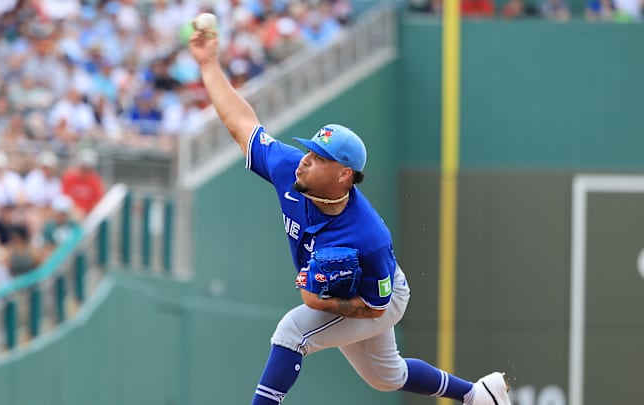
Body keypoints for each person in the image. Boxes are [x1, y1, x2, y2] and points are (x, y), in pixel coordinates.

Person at [188, 24, 512, 405]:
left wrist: (321, 302)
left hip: (381, 298)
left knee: (292, 331)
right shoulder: (289, 170)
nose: (305, 159)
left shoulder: (367, 236)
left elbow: (373, 307)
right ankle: (478, 395)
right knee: (386, 376)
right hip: (359, 293)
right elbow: (241, 123)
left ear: (344, 175)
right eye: (308, 151)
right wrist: (209, 63)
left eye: (318, 158)